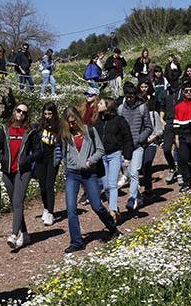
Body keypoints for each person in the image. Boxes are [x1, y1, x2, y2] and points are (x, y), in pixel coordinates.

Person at [59, 106, 119, 253]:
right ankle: (77, 241)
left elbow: (100, 150)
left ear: (78, 119)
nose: (72, 125)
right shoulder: (66, 135)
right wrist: (66, 164)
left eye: (73, 122)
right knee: (71, 208)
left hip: (89, 173)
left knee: (97, 206)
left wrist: (90, 161)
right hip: (72, 173)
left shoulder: (89, 131)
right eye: (69, 123)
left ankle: (112, 227)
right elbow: (64, 152)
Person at [0, 102, 35, 249]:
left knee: (17, 202)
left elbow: (38, 151)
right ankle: (25, 233)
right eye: (19, 111)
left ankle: (14, 235)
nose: (21, 114)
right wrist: (2, 159)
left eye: (24, 113)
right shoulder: (5, 129)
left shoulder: (29, 131)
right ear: (14, 112)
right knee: (16, 205)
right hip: (7, 171)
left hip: (23, 172)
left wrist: (26, 160)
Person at [95, 98, 134, 223]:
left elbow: (128, 138)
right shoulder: (97, 122)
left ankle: (112, 211)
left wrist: (127, 156)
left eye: (101, 103)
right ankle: (115, 208)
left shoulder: (119, 121)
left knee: (112, 184)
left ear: (108, 106)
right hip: (101, 156)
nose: (98, 105)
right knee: (106, 185)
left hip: (115, 154)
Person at [117, 81, 153, 211]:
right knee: (128, 173)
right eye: (127, 96)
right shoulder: (121, 109)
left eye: (131, 95)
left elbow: (149, 127)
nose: (129, 98)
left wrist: (139, 139)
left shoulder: (142, 107)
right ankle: (138, 197)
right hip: (124, 147)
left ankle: (132, 199)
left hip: (137, 146)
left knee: (134, 172)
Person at [32, 102, 61, 226]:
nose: (47, 116)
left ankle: (50, 212)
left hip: (52, 158)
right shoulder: (39, 125)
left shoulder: (59, 126)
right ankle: (45, 207)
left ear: (54, 113)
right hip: (40, 158)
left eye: (50, 114)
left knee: (49, 185)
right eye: (45, 114)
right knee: (42, 185)